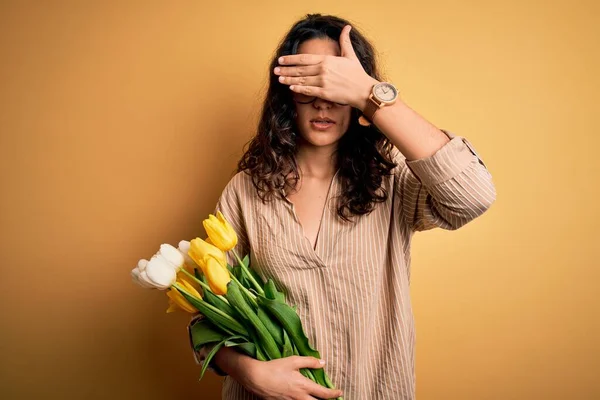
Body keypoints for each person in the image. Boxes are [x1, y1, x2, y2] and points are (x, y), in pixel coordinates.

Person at [189, 13, 496, 400]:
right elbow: (204, 320)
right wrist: (249, 373)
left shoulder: (393, 177)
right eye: (309, 83)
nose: (323, 101)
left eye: (335, 84)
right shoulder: (246, 191)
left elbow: (472, 195)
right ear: (287, 94)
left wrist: (372, 94)